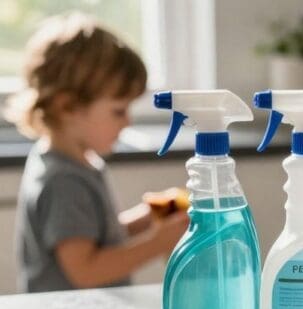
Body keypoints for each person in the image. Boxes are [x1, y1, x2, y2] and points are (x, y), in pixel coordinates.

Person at [5, 13, 187, 293]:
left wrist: (145, 219)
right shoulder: (63, 181)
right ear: (67, 107)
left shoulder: (73, 163)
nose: (127, 122)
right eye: (118, 111)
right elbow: (86, 270)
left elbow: (92, 237)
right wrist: (157, 243)